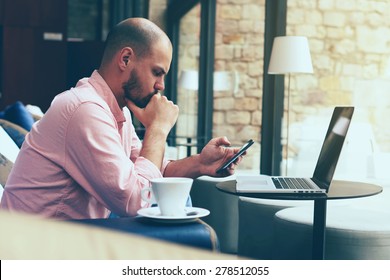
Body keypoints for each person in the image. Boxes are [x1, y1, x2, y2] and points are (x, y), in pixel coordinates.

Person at [0, 18, 244, 219]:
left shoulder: (117, 111)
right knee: (173, 216)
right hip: (33, 247)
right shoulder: (84, 109)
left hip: (69, 234)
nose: (161, 86)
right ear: (125, 59)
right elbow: (138, 200)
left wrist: (201, 163)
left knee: (176, 203)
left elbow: (151, 172)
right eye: (157, 72)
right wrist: (157, 128)